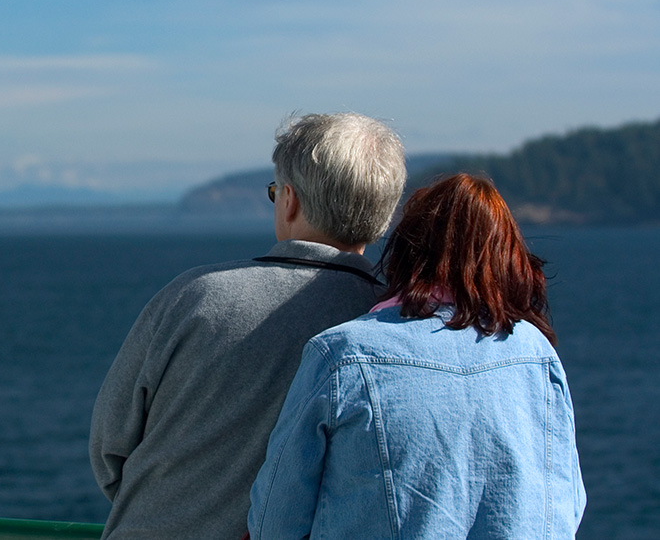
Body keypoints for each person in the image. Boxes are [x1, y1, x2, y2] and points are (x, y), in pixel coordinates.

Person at [89, 112, 407, 539]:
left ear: (289, 199)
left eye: (275, 192)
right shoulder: (392, 320)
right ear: (384, 216)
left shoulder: (193, 296)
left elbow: (110, 446)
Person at [248, 173, 586, 539]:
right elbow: (567, 504)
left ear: (408, 251)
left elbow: (276, 521)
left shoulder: (344, 355)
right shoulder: (536, 354)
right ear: (509, 259)